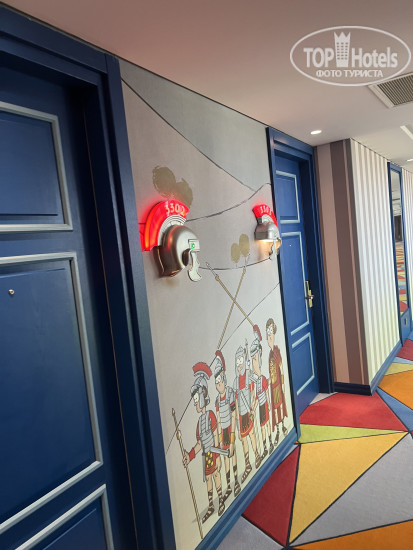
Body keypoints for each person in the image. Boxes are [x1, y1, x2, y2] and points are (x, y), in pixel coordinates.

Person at [183, 362, 225, 523]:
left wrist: (218, 455)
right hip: (205, 455)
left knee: (216, 475)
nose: (195, 403)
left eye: (196, 399)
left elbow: (216, 435)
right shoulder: (199, 423)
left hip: (213, 452)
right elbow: (199, 443)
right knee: (208, 479)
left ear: (202, 396)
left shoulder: (211, 416)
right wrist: (189, 456)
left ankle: (221, 500)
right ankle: (211, 505)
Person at [214, 350, 241, 500]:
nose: (219, 384)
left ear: (224, 379)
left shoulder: (230, 393)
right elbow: (218, 421)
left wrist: (231, 440)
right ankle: (229, 485)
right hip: (222, 431)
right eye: (216, 382)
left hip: (230, 429)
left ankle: (236, 481)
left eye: (220, 380)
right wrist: (219, 441)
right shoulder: (217, 401)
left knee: (233, 452)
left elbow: (233, 415)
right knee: (225, 458)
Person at [233, 344, 262, 483]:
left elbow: (253, 392)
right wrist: (237, 424)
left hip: (248, 411)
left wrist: (254, 407)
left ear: (244, 361)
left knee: (252, 434)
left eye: (241, 360)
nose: (239, 364)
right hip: (241, 415)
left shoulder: (248, 376)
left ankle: (256, 455)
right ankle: (247, 464)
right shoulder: (235, 382)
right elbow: (236, 402)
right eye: (237, 361)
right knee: (243, 439)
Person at [250, 336, 274, 459]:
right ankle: (265, 447)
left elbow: (266, 392)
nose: (253, 363)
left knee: (267, 424)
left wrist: (268, 404)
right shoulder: (255, 382)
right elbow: (255, 398)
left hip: (264, 404)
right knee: (262, 427)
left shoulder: (263, 379)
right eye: (252, 360)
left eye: (254, 359)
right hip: (259, 406)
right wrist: (253, 408)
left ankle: (270, 443)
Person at [266, 318, 288, 444]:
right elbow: (271, 372)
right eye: (267, 332)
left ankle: (283, 425)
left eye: (271, 331)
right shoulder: (269, 355)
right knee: (275, 409)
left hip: (278, 384)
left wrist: (283, 383)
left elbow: (281, 368)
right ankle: (278, 430)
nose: (269, 335)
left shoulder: (276, 351)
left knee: (280, 406)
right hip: (272, 386)